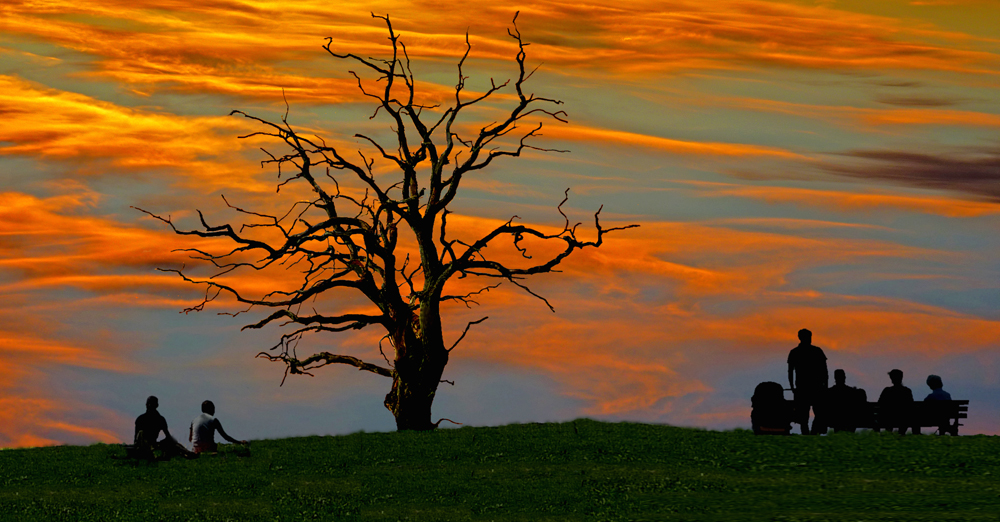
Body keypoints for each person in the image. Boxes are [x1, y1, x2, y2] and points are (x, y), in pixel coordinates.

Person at [787, 328, 828, 435]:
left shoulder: (795, 352)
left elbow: (790, 372)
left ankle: (809, 434)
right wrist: (825, 387)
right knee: (810, 415)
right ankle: (812, 434)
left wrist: (792, 388)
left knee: (807, 415)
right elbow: (825, 372)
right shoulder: (816, 351)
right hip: (812, 388)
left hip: (805, 388)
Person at [878, 369, 914, 434]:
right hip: (904, 419)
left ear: (892, 379)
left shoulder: (887, 391)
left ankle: (889, 434)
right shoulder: (907, 391)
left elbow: (879, 404)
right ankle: (901, 434)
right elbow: (911, 406)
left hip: (888, 419)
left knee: (887, 415)